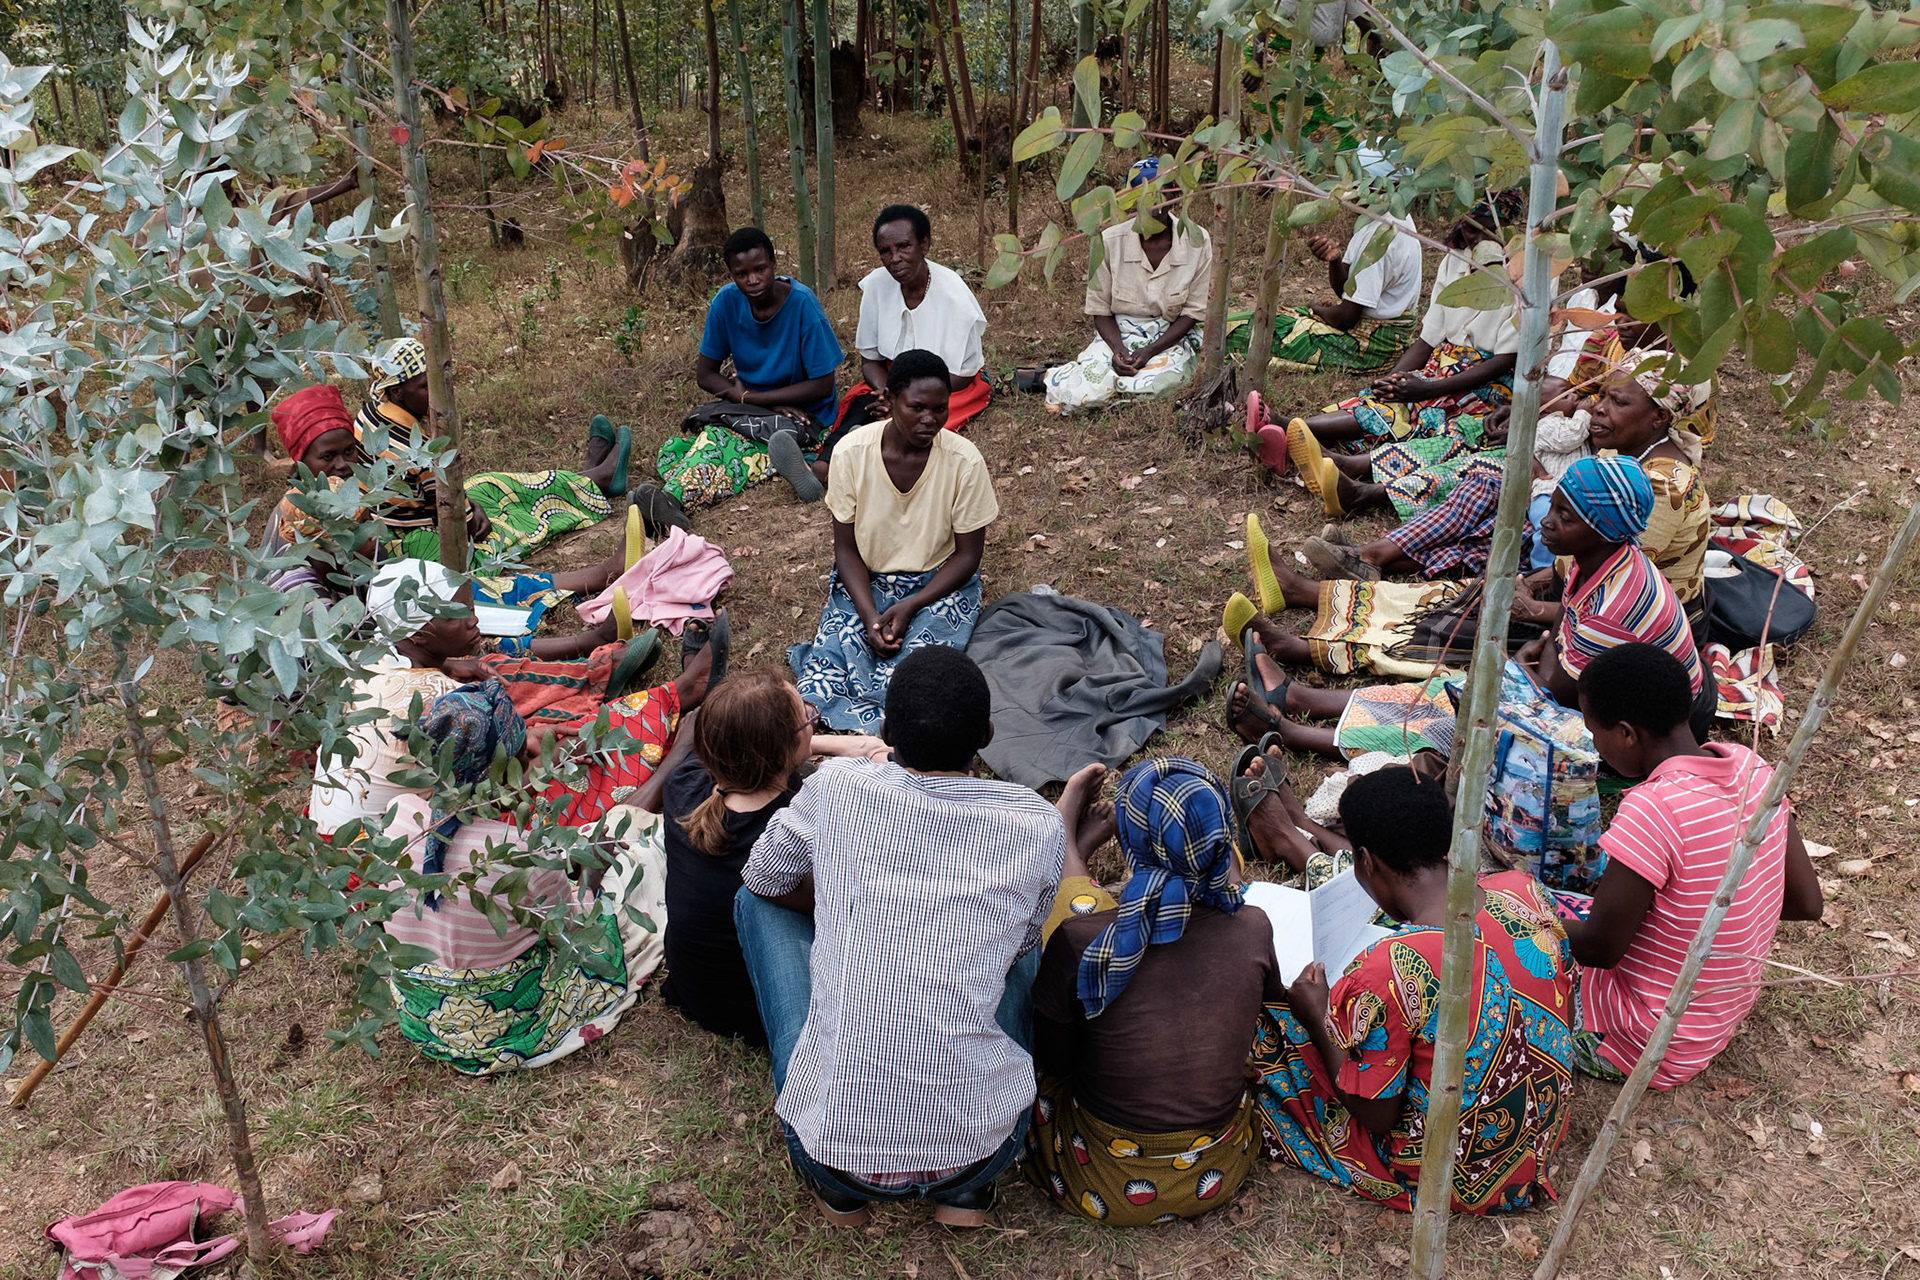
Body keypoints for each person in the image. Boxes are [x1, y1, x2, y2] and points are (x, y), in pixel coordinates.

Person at [734, 647, 1066, 1227]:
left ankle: (842, 1197)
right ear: (986, 735)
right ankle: (963, 1198)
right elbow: (1017, 949)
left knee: (750, 901)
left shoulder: (836, 787)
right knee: (1019, 945)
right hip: (980, 1151)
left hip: (831, 1152)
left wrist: (848, 906)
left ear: (886, 732)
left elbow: (763, 875)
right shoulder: (1036, 822)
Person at [1250, 765, 1576, 1213]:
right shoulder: (1524, 892)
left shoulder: (1387, 969)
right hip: (1537, 1132)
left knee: (1269, 1031)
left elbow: (1378, 1117)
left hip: (1456, 1174)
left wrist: (1319, 1016)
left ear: (1365, 861)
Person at [1223, 455, 1706, 755]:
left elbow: (1557, 685)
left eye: (1565, 516)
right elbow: (1569, 626)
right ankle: (1301, 693)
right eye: (1554, 506)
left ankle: (1299, 728)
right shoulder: (1604, 557)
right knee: (1469, 675)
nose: (1549, 523)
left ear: (1602, 529)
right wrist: (1543, 642)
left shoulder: (1617, 596)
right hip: (1606, 688)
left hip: (1641, 731)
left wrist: (1531, 657)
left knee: (1464, 713)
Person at [1026, 759, 1277, 1227]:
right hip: (1220, 1165)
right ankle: (1076, 849)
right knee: (1101, 917)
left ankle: (1064, 842)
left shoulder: (1082, 941)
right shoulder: (1253, 926)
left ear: (1129, 842)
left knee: (1078, 913)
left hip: (1099, 1177)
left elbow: (1055, 1064)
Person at [1566, 644, 1822, 1088]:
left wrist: (1517, 919)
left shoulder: (1653, 809)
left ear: (1627, 734)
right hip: (1709, 1022)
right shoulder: (1754, 769)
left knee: (1505, 945)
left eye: (1594, 733)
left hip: (1640, 1044)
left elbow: (1598, 949)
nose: (1594, 745)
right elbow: (1806, 902)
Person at [1294, 343, 1712, 604]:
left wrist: (1537, 483)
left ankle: (1370, 563)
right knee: (1491, 488)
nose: (1599, 407)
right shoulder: (1628, 448)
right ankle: (1373, 556)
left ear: (1660, 417)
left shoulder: (1665, 484)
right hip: (1577, 561)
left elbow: (1608, 573)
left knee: (1507, 531)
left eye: (1616, 402)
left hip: (1612, 609)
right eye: (1602, 395)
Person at [377, 683, 651, 1074]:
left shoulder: (396, 817)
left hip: (426, 1020)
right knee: (642, 868)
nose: (534, 764)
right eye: (525, 757)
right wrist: (593, 871)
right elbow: (577, 933)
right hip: (505, 1028)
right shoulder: (520, 855)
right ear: (502, 777)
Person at [269, 382, 641, 658]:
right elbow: (340, 646)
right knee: (458, 626)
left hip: (387, 607)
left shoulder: (347, 495)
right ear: (300, 465)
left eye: (349, 451)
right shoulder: (297, 556)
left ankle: (599, 571)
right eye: (327, 457)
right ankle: (580, 643)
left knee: (463, 590)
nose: (342, 464)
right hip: (359, 649)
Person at [657, 669, 887, 1044]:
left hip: (696, 987)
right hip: (754, 1006)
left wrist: (840, 746)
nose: (814, 724)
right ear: (782, 751)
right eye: (810, 719)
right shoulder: (789, 837)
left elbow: (750, 747)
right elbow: (845, 907)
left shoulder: (685, 785)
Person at [789, 349, 997, 732]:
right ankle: (820, 726)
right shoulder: (852, 455)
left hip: (939, 586)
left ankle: (885, 728)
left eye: (939, 408)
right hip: (866, 580)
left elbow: (968, 557)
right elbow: (847, 550)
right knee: (833, 655)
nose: (929, 419)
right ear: (888, 401)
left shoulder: (964, 463)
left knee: (920, 670)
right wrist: (869, 616)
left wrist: (913, 604)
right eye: (917, 407)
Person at [339, 338, 657, 563]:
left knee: (492, 482)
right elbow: (446, 502)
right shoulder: (409, 447)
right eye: (426, 386)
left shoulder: (372, 412)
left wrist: (467, 502)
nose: (438, 392)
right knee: (516, 516)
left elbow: (432, 490)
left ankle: (586, 475)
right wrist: (470, 511)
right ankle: (597, 479)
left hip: (412, 515)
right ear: (396, 390)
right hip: (420, 538)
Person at [1283, 192, 1523, 487]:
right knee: (1384, 395)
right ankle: (1298, 433)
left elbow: (1506, 358)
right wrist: (1393, 378)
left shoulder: (1526, 273)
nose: (1475, 241)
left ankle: (1303, 436)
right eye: (1469, 229)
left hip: (1492, 382)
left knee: (1426, 409)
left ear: (1507, 230)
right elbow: (1428, 339)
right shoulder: (1455, 260)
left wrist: (1429, 388)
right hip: (1444, 367)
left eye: (1485, 231)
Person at [771, 205, 991, 503]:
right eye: (885, 251)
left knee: (914, 423)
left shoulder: (954, 295)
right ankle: (821, 468)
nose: (895, 258)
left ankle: (854, 467)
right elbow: (871, 359)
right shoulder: (877, 286)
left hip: (947, 386)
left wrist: (905, 400)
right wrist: (887, 391)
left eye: (904, 247)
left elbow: (963, 374)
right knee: (864, 402)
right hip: (892, 378)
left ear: (924, 244)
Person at [664, 227, 845, 509]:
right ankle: (669, 501)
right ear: (731, 275)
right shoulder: (726, 302)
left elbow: (822, 384)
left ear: (774, 264)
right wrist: (757, 404)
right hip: (753, 409)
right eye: (741, 274)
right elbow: (705, 374)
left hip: (808, 415)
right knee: (703, 444)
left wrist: (751, 398)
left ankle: (673, 500)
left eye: (760, 269)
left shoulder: (802, 304)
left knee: (729, 445)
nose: (753, 280)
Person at [1044, 160, 1213, 413]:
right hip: (1117, 334)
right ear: (1130, 198)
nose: (1152, 200)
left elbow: (1192, 312)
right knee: (1092, 377)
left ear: (1176, 196)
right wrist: (1119, 349)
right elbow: (1100, 310)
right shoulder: (1109, 241)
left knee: (1161, 384)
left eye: (1161, 191)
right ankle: (1074, 379)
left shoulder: (1197, 241)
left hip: (1169, 337)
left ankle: (1108, 393)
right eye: (1141, 192)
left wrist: (1150, 351)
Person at [1229, 211, 1421, 378]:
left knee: (1256, 331)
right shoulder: (1386, 220)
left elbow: (1346, 318)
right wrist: (1335, 260)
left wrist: (1317, 309)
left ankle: (1204, 335)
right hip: (1383, 340)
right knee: (1272, 320)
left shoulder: (1380, 238)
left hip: (1371, 348)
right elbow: (1347, 290)